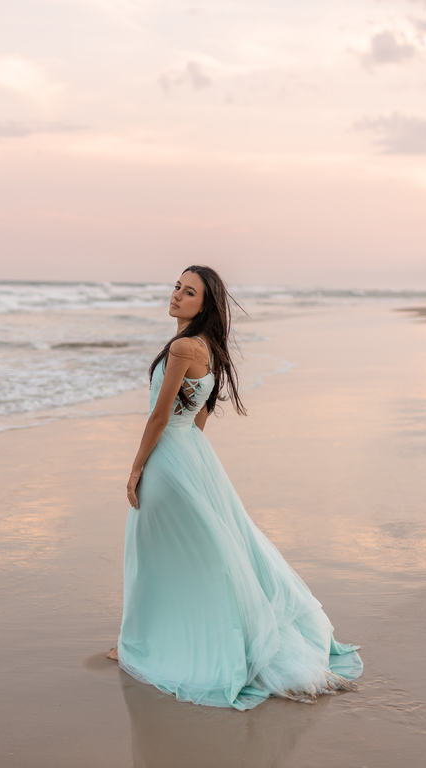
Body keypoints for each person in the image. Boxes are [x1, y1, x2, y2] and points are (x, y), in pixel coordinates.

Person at [107, 265, 362, 710]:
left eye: (188, 293)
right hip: (194, 456)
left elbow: (159, 416)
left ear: (203, 305)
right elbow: (199, 415)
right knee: (207, 553)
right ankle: (154, 640)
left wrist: (135, 470)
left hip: (170, 459)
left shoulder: (185, 346)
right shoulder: (208, 348)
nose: (177, 296)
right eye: (177, 287)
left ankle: (145, 645)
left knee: (155, 555)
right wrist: (190, 456)